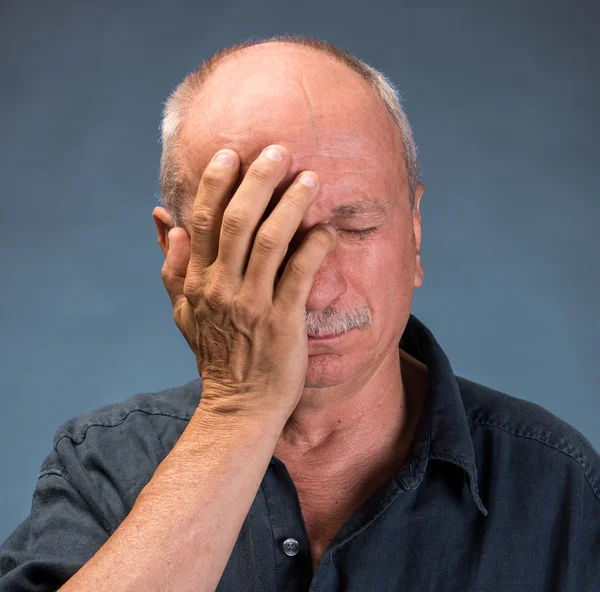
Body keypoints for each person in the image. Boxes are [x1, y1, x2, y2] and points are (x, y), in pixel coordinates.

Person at [1, 34, 598, 592]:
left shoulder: (560, 485)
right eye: (262, 238)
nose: (316, 290)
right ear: (178, 254)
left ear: (415, 234)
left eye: (356, 226)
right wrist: (240, 408)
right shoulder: (99, 467)